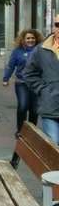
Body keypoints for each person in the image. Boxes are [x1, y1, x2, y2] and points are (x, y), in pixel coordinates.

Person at [23, 15, 59, 144]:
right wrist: (43, 90)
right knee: (54, 144)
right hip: (50, 107)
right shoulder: (41, 49)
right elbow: (28, 74)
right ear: (53, 27)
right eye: (57, 25)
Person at [3, 29, 42, 136]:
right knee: (23, 106)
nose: (30, 40)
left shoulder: (41, 50)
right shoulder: (17, 51)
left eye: (33, 38)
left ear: (36, 39)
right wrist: (6, 78)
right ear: (23, 40)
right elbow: (11, 65)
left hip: (36, 84)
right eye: (28, 38)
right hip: (22, 83)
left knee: (34, 110)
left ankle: (32, 132)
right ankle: (20, 130)